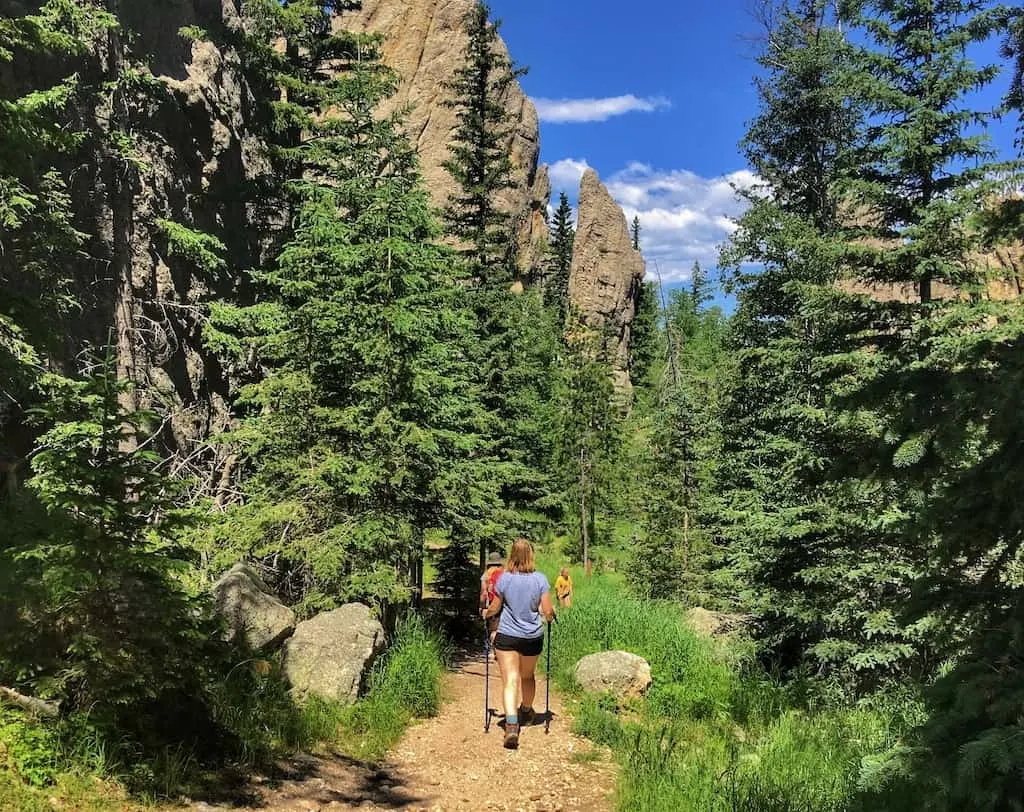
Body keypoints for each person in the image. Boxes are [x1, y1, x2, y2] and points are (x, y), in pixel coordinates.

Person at [482, 538, 555, 749]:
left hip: (507, 636)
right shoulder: (540, 579)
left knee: (510, 679)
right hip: (532, 636)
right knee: (527, 675)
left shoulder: (504, 579)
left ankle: (511, 726)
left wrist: (486, 614)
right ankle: (526, 709)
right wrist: (549, 617)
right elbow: (548, 612)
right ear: (531, 555)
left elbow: (495, 607)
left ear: (512, 555)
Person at [480, 550, 505, 656]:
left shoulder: (486, 576)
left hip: (491, 605)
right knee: (501, 628)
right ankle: (500, 650)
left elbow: (483, 594)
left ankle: (493, 650)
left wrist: (482, 607)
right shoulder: (504, 574)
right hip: (504, 605)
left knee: (493, 630)